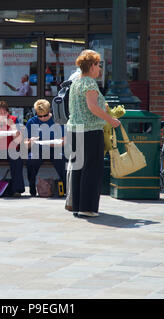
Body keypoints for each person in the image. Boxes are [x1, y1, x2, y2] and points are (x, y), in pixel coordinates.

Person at [67, 49, 120, 217]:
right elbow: (92, 107)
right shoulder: (89, 83)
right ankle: (87, 207)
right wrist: (111, 120)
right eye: (97, 65)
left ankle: (77, 205)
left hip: (75, 130)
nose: (99, 69)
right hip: (90, 131)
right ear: (90, 66)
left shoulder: (76, 82)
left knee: (78, 169)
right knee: (91, 168)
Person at [25, 99, 66, 197]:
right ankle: (31, 186)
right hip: (38, 149)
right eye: (40, 116)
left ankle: (66, 187)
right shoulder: (32, 122)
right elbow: (25, 143)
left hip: (55, 148)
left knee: (62, 159)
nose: (43, 118)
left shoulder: (58, 120)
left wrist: (50, 143)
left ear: (49, 112)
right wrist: (31, 142)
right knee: (31, 160)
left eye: (45, 115)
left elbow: (64, 141)